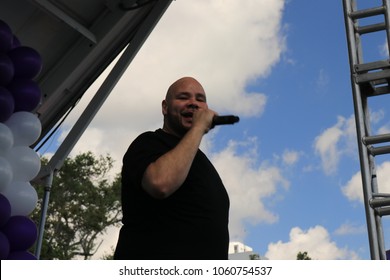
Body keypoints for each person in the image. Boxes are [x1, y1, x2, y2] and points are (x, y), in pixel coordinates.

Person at [114, 77, 230, 260]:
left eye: (200, 99)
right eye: (184, 97)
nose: (193, 103)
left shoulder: (200, 161)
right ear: (165, 107)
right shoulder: (148, 143)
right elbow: (160, 183)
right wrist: (198, 127)